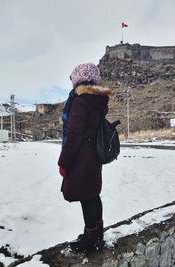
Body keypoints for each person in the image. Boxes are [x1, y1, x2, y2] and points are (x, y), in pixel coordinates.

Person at [58, 63, 113, 252]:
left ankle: (90, 240)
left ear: (79, 79)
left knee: (86, 197)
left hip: (81, 157)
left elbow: (73, 135)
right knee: (93, 195)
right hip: (93, 156)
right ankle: (97, 234)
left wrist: (63, 162)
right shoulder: (97, 101)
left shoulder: (81, 101)